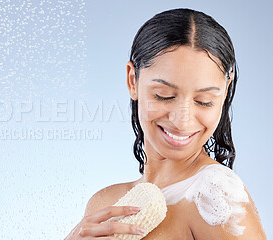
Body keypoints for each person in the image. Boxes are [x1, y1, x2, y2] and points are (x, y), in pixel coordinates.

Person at [65, 8, 267, 240]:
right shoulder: (104, 204)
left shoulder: (216, 198)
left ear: (225, 91)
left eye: (204, 101)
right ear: (133, 81)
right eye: (164, 95)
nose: (182, 121)